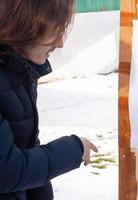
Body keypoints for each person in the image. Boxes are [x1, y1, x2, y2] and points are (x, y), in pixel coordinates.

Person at [0, 0, 98, 199]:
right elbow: (6, 171)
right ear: (26, 24)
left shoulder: (20, 68)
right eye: (56, 29)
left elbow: (26, 145)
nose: (61, 43)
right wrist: (72, 149)